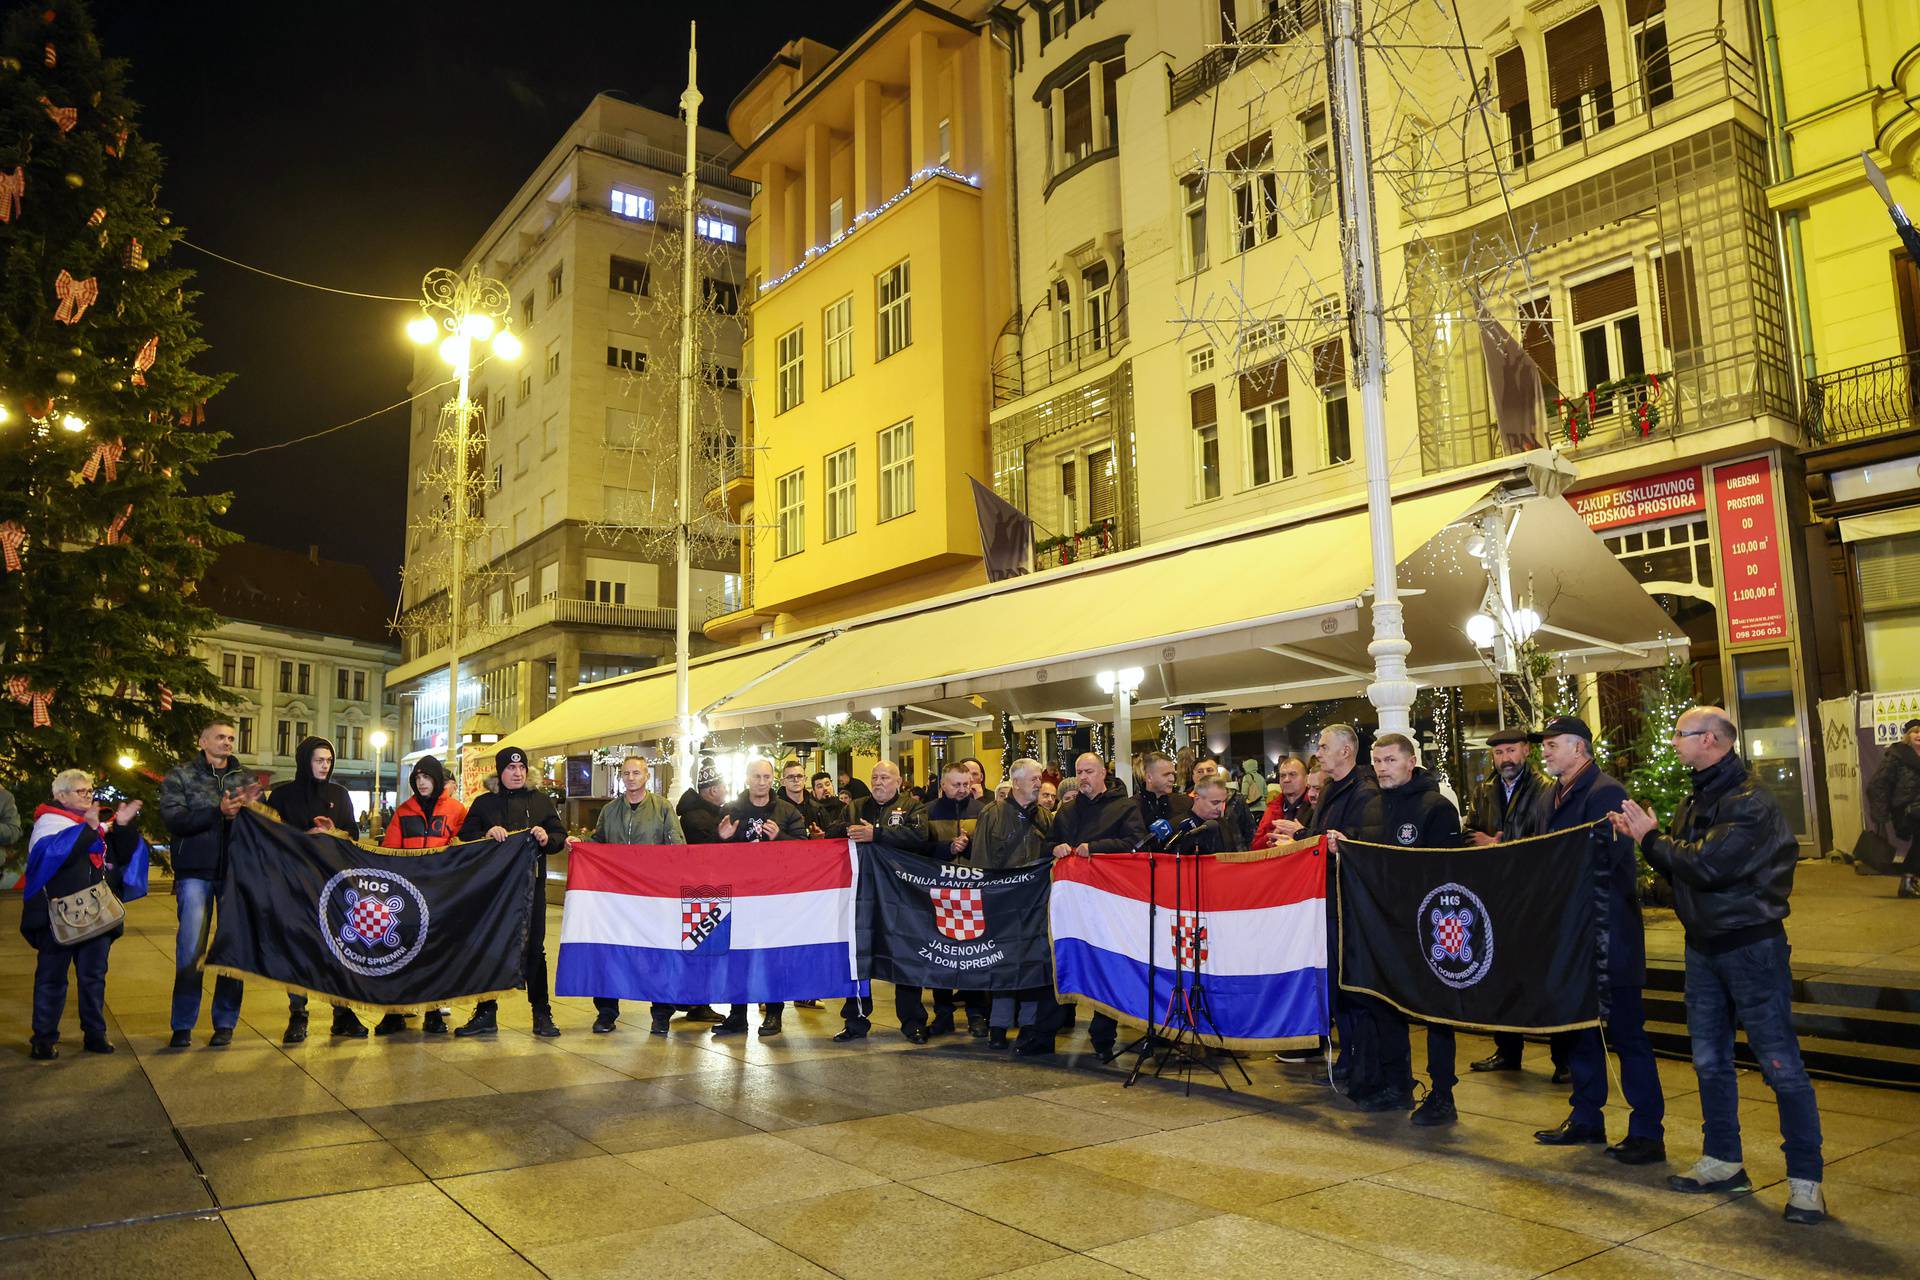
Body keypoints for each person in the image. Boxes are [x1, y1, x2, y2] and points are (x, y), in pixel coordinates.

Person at [1613, 705, 1827, 1225]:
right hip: (1704, 946)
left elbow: (1706, 865)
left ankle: (1806, 1181)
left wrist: (1649, 838)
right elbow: (1685, 872)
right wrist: (1660, 865)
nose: (1673, 742)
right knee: (1709, 1060)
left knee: (1779, 1065)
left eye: (1680, 734)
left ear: (1710, 739)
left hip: (1750, 947)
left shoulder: (1749, 800)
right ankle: (1724, 1159)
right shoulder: (1699, 795)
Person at [1524, 717, 1665, 1163]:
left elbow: (1612, 854)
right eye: (1543, 745)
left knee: (1627, 1033)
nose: (1543, 752)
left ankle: (1647, 1130)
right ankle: (1586, 1116)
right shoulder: (1549, 794)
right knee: (1581, 1028)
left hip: (1608, 933)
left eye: (1551, 744)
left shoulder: (1606, 791)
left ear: (1578, 747)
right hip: (1569, 933)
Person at [1328, 733, 1463, 1124]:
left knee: (1437, 1014)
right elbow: (1373, 856)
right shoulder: (1376, 805)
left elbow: (1446, 868)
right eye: (1378, 761)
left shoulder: (1436, 807)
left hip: (1428, 927)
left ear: (1411, 761)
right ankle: (1397, 1084)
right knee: (1386, 1005)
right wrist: (1347, 845)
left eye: (1390, 760)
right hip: (1384, 925)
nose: (1383, 768)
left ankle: (1442, 1095)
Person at [22, 771, 146, 1059]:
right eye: (81, 791)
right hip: (57, 916)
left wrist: (125, 827)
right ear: (61, 795)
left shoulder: (96, 825)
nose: (88, 794)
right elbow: (55, 857)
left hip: (96, 912)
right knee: (51, 977)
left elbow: (122, 857)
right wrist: (88, 830)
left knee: (93, 977)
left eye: (90, 790)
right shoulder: (48, 823)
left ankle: (95, 1034)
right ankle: (43, 1038)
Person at [1463, 728, 1564, 1079]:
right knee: (1500, 975)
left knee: (1545, 978)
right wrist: (1485, 842)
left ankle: (1563, 1060)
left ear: (1526, 752)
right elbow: (1468, 833)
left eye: (1511, 751)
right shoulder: (1484, 790)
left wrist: (1500, 844)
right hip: (1496, 895)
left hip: (1535, 896)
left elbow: (1547, 838)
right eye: (1499, 753)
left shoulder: (1546, 789)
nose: (1505, 758)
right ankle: (1507, 1051)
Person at [455, 746, 568, 1039]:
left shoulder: (541, 801)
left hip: (533, 886)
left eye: (521, 768)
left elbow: (559, 836)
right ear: (500, 771)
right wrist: (486, 834)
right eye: (510, 768)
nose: (517, 773)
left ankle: (541, 1012)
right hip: (495, 890)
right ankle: (485, 1012)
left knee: (535, 949)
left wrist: (547, 838)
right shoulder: (483, 804)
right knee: (491, 945)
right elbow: (465, 835)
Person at [159, 719, 257, 1049]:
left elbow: (257, 827)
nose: (227, 742)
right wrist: (218, 811)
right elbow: (174, 820)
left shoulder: (244, 778)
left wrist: (250, 812)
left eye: (231, 737)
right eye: (220, 737)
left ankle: (225, 1023)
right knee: (190, 951)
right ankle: (183, 1024)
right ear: (202, 741)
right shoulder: (181, 775)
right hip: (194, 873)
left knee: (232, 950)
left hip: (235, 874)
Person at [267, 736, 370, 1043]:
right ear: (304, 761)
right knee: (298, 949)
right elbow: (271, 836)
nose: (325, 765)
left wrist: (332, 831)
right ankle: (298, 1013)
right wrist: (306, 835)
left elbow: (351, 833)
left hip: (332, 883)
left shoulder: (339, 793)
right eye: (318, 760)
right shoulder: (283, 795)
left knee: (338, 949)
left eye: (328, 760)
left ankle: (342, 1013)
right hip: (295, 882)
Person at [579, 756, 690, 1035]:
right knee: (611, 953)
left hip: (653, 898)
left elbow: (678, 849)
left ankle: (661, 1012)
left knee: (657, 955)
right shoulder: (609, 810)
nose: (630, 777)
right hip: (616, 899)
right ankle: (606, 1012)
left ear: (646, 776)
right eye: (626, 773)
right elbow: (598, 843)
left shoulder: (662, 808)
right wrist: (580, 847)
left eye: (636, 773)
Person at [1049, 753, 1147, 1059]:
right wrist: (1057, 847)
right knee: (1076, 959)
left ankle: (1103, 1033)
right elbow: (1048, 842)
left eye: (1088, 771)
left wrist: (1097, 849)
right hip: (1076, 903)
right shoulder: (1067, 810)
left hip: (1111, 900)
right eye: (1079, 772)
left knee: (1109, 963)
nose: (1083, 777)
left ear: (1103, 773)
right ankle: (1061, 1022)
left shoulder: (1125, 806)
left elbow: (1137, 842)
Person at [713, 758, 809, 1037]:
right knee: (738, 956)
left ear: (773, 779)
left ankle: (774, 1014)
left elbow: (805, 851)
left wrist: (781, 838)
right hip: (740, 895)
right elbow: (711, 856)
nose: (762, 782)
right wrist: (722, 839)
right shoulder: (731, 810)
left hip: (774, 896)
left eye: (767, 777)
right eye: (757, 776)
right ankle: (737, 1014)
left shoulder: (787, 811)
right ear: (747, 778)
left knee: (773, 956)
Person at [1303, 725, 1375, 1083]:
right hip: (1326, 897)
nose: (1319, 751)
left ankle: (1359, 1055)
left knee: (1348, 981)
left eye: (1324, 746)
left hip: (1347, 903)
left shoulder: (1364, 793)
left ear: (1346, 751)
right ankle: (1347, 1052)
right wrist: (1300, 836)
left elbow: (1362, 841)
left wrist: (1342, 842)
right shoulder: (1331, 789)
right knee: (1333, 978)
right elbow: (1321, 834)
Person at [838, 760, 926, 1041]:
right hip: (862, 895)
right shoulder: (855, 806)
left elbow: (920, 837)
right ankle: (855, 1020)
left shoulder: (913, 808)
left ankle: (912, 1021)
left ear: (898, 781)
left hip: (901, 896)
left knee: (905, 956)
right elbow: (836, 832)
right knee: (859, 955)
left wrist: (877, 835)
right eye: (875, 777)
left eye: (885, 777)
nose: (878, 782)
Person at [378, 755, 465, 1036]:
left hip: (441, 894)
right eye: (417, 778)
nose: (422, 783)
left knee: (435, 953)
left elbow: (465, 849)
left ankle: (433, 1012)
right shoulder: (403, 811)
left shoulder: (456, 810)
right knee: (400, 952)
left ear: (437, 779)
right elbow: (391, 850)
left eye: (426, 777)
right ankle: (394, 1012)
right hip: (408, 895)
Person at [973, 758, 1053, 1048]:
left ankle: (1029, 1025)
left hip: (1035, 905)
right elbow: (981, 860)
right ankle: (998, 1025)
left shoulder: (1045, 817)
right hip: (1002, 904)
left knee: (1033, 965)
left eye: (1039, 778)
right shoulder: (991, 814)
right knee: (1003, 967)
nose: (1038, 782)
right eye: (1033, 778)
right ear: (1016, 782)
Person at [909, 762, 987, 1041]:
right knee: (940, 954)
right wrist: (947, 848)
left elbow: (990, 849)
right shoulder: (927, 812)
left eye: (966, 784)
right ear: (943, 784)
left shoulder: (983, 811)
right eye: (956, 785)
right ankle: (943, 1014)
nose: (962, 790)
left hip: (972, 892)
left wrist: (968, 848)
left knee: (973, 956)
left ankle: (976, 1014)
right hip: (938, 893)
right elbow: (918, 849)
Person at [1864, 717, 1920, 897]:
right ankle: (1909, 878)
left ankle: (1909, 880)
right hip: (1905, 810)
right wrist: (1880, 813)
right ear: (1908, 736)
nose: (1919, 735)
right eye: (1915, 732)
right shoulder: (1897, 755)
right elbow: (1877, 784)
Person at [1191, 758, 1256, 847]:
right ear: (1193, 777)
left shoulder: (1236, 798)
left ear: (1217, 774)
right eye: (1200, 771)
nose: (1205, 774)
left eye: (1209, 770)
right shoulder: (1185, 801)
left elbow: (1250, 833)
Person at [1253, 756, 1313, 849]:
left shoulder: (1315, 806)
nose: (1286, 779)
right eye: (1282, 775)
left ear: (1306, 779)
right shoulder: (1272, 808)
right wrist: (1273, 836)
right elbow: (1255, 846)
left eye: (1293, 774)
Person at [1136, 751, 1193, 845]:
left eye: (1173, 774)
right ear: (1149, 777)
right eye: (1166, 775)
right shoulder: (1132, 807)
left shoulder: (1185, 803)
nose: (1172, 779)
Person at [677, 764, 728, 843]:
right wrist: (721, 835)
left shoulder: (708, 813)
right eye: (724, 787)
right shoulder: (696, 820)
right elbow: (703, 852)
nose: (726, 791)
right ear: (713, 791)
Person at [809, 771, 850, 837]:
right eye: (820, 786)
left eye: (827, 784)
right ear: (814, 792)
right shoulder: (810, 809)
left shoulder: (844, 807)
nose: (825, 788)